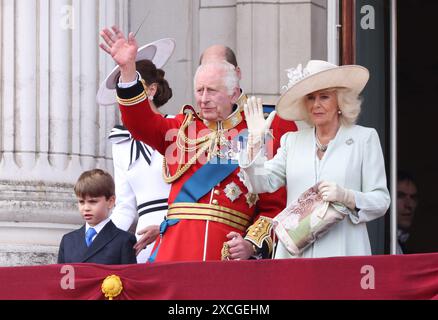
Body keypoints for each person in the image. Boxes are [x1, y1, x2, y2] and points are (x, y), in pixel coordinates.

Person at [98, 26, 286, 261]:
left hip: (227, 255)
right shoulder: (180, 129)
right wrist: (128, 71)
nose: (203, 99)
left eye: (212, 91)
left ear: (233, 92)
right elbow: (140, 122)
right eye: (199, 90)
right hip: (175, 252)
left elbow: (272, 205)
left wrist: (251, 244)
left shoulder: (257, 133)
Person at [239, 60, 391, 258]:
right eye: (310, 98)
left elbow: (381, 200)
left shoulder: (364, 138)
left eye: (324, 97)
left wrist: (347, 196)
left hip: (343, 251)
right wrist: (255, 144)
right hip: (295, 256)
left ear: (340, 101)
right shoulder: (291, 141)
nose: (316, 104)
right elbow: (261, 183)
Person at [199, 44, 299, 254]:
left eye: (220, 68)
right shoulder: (189, 127)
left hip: (234, 253)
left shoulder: (270, 121)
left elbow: (275, 202)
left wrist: (252, 244)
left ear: (237, 74)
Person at [97, 39, 175, 263]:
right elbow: (124, 208)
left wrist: (164, 226)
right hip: (142, 245)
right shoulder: (120, 143)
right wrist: (96, 242)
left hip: (179, 232)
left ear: (151, 89)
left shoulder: (178, 127)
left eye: (131, 88)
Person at [57, 169, 137, 264]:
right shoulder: (68, 241)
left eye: (92, 202)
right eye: (81, 202)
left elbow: (127, 277)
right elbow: (60, 277)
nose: (86, 208)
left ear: (111, 201)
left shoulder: (124, 240)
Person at [396, 170, 418, 254]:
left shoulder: (405, 242)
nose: (408, 205)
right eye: (400, 196)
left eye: (413, 197)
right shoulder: (378, 242)